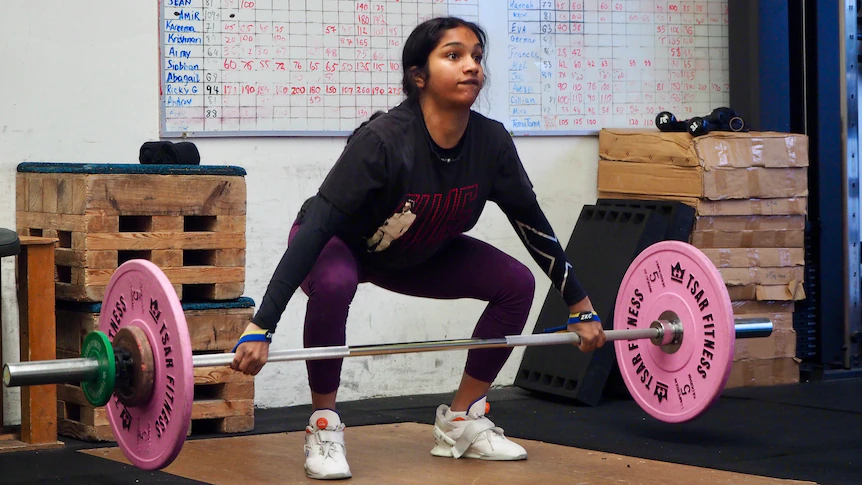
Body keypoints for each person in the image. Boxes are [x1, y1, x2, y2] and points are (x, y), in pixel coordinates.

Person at [230, 16, 607, 480]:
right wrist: (261, 326)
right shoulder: (384, 141)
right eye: (454, 56)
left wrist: (581, 305)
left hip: (415, 251)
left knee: (515, 284)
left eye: (476, 57)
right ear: (419, 76)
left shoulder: (491, 143)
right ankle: (324, 425)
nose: (471, 66)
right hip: (340, 245)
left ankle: (461, 419)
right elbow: (318, 227)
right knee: (333, 283)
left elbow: (533, 225)